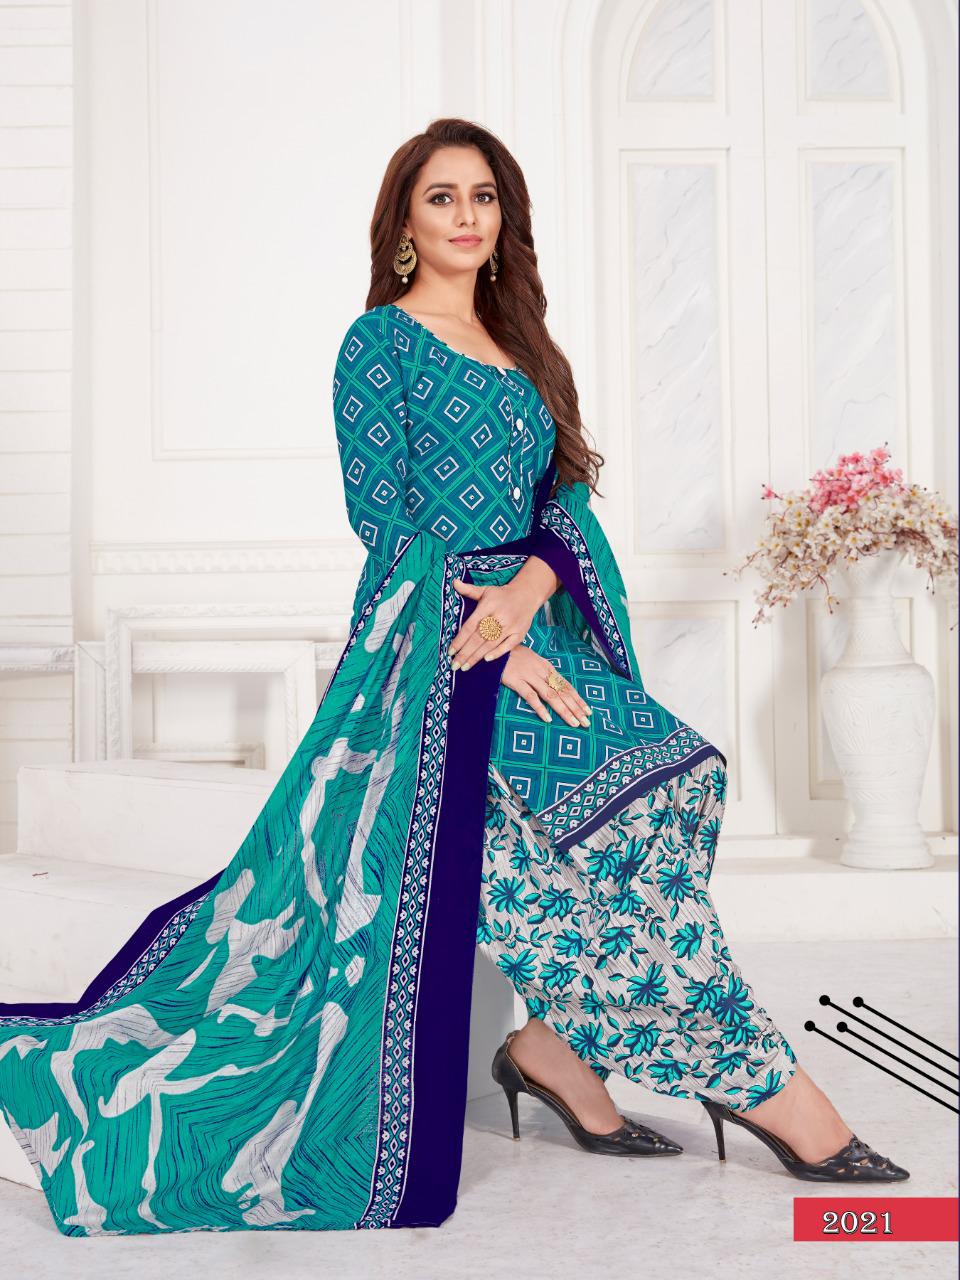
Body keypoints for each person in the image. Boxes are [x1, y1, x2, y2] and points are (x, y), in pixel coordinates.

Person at [0, 118, 907, 1240]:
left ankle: (555, 1048)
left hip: (535, 620)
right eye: (443, 197)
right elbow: (384, 525)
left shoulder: (523, 346)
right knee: (567, 847)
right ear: (405, 222)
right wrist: (491, 643)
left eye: (484, 195)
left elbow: (564, 499)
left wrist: (531, 590)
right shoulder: (378, 343)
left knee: (672, 780)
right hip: (432, 650)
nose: (467, 215)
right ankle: (770, 1090)